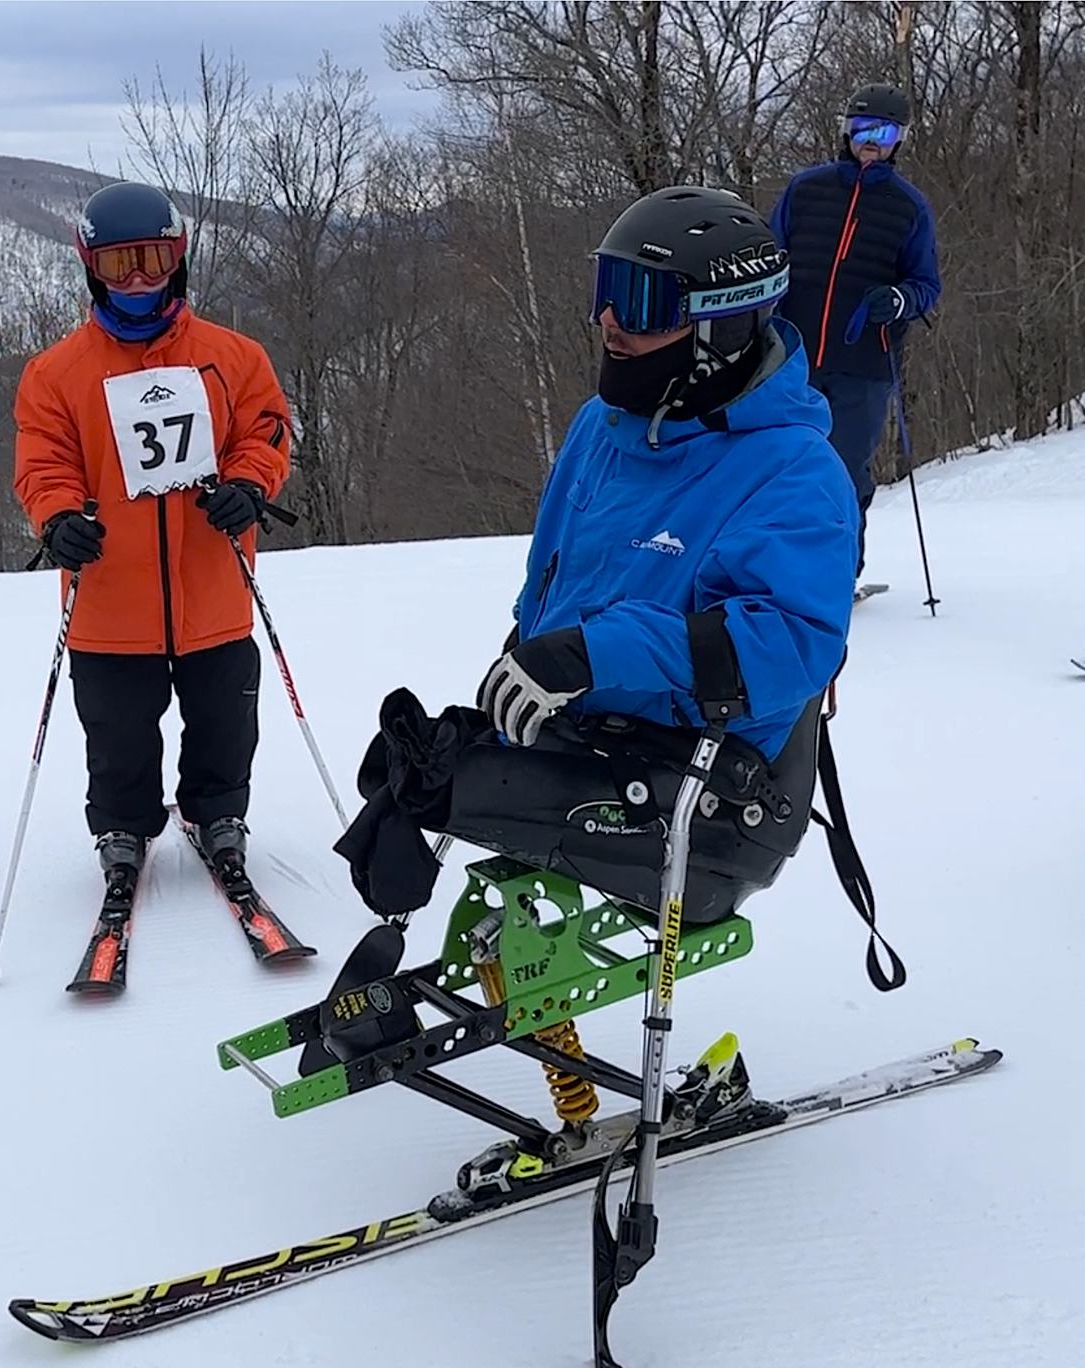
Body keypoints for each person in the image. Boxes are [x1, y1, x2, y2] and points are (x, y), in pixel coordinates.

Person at [336, 184, 860, 941]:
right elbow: (550, 577)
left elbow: (790, 645)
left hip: (711, 790)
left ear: (721, 324)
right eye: (607, 291)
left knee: (437, 785)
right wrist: (526, 656)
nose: (610, 320)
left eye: (642, 301)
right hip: (594, 737)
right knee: (408, 764)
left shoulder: (794, 470)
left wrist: (588, 653)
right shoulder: (603, 429)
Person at [12, 179, 294, 923]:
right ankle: (123, 826)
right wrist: (59, 516)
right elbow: (44, 460)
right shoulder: (56, 374)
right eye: (118, 265)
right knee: (117, 731)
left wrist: (248, 485)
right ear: (89, 268)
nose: (138, 280)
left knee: (225, 720)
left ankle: (217, 813)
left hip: (213, 589)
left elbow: (265, 431)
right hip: (110, 600)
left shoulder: (232, 357)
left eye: (153, 260)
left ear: (181, 260)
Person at [766, 82, 945, 577]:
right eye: (861, 128)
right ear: (846, 132)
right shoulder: (807, 189)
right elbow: (767, 257)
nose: (871, 140)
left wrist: (900, 299)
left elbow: (926, 284)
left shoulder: (909, 207)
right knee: (782, 465)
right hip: (791, 357)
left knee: (842, 469)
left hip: (864, 364)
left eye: (883, 131)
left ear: (899, 140)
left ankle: (837, 571)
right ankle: (775, 567)